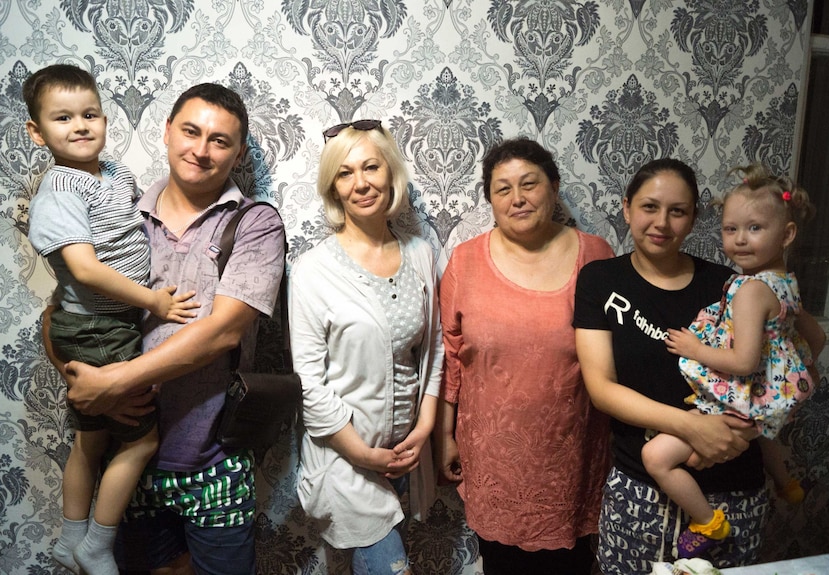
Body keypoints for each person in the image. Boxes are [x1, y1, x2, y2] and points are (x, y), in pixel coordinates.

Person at [59, 83, 286, 574]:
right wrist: (89, 386)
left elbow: (224, 331)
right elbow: (62, 314)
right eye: (190, 131)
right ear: (166, 131)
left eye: (220, 141)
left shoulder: (254, 223)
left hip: (215, 458)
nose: (201, 150)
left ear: (238, 152)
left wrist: (118, 381)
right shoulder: (115, 217)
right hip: (127, 459)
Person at [24, 64, 199, 575]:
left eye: (90, 114)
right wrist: (155, 303)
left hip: (106, 325)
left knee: (91, 439)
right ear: (37, 133)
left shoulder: (117, 174)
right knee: (141, 438)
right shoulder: (60, 189)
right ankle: (97, 544)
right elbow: (84, 269)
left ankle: (71, 536)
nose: (80, 125)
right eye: (63, 118)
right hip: (97, 327)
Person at [574, 158, 771, 573]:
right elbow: (602, 388)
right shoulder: (600, 280)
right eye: (649, 207)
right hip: (639, 492)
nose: (662, 222)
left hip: (731, 489)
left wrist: (736, 433)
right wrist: (692, 427)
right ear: (627, 208)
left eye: (677, 211)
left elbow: (770, 371)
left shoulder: (730, 286)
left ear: (693, 218)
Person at [434, 137, 613, 575]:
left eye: (529, 184)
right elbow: (451, 358)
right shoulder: (466, 261)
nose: (518, 198)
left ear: (553, 187)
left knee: (571, 564)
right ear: (490, 200)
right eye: (503, 189)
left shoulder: (595, 256)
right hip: (494, 458)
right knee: (501, 564)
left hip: (573, 454)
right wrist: (445, 433)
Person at [288, 119, 442, 575]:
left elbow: (433, 351)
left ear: (390, 173)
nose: (361, 183)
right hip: (345, 461)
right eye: (345, 173)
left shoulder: (419, 253)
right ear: (333, 188)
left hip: (409, 457)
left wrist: (425, 426)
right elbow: (309, 383)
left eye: (371, 167)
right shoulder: (312, 271)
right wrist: (360, 452)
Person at [650, 163, 824, 559]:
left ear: (788, 234)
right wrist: (796, 373)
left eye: (755, 228)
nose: (740, 240)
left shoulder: (750, 290)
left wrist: (695, 350)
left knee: (657, 458)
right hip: (766, 404)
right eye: (731, 229)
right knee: (764, 433)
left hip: (744, 400)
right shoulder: (786, 285)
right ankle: (786, 483)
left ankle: (708, 523)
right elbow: (816, 337)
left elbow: (744, 362)